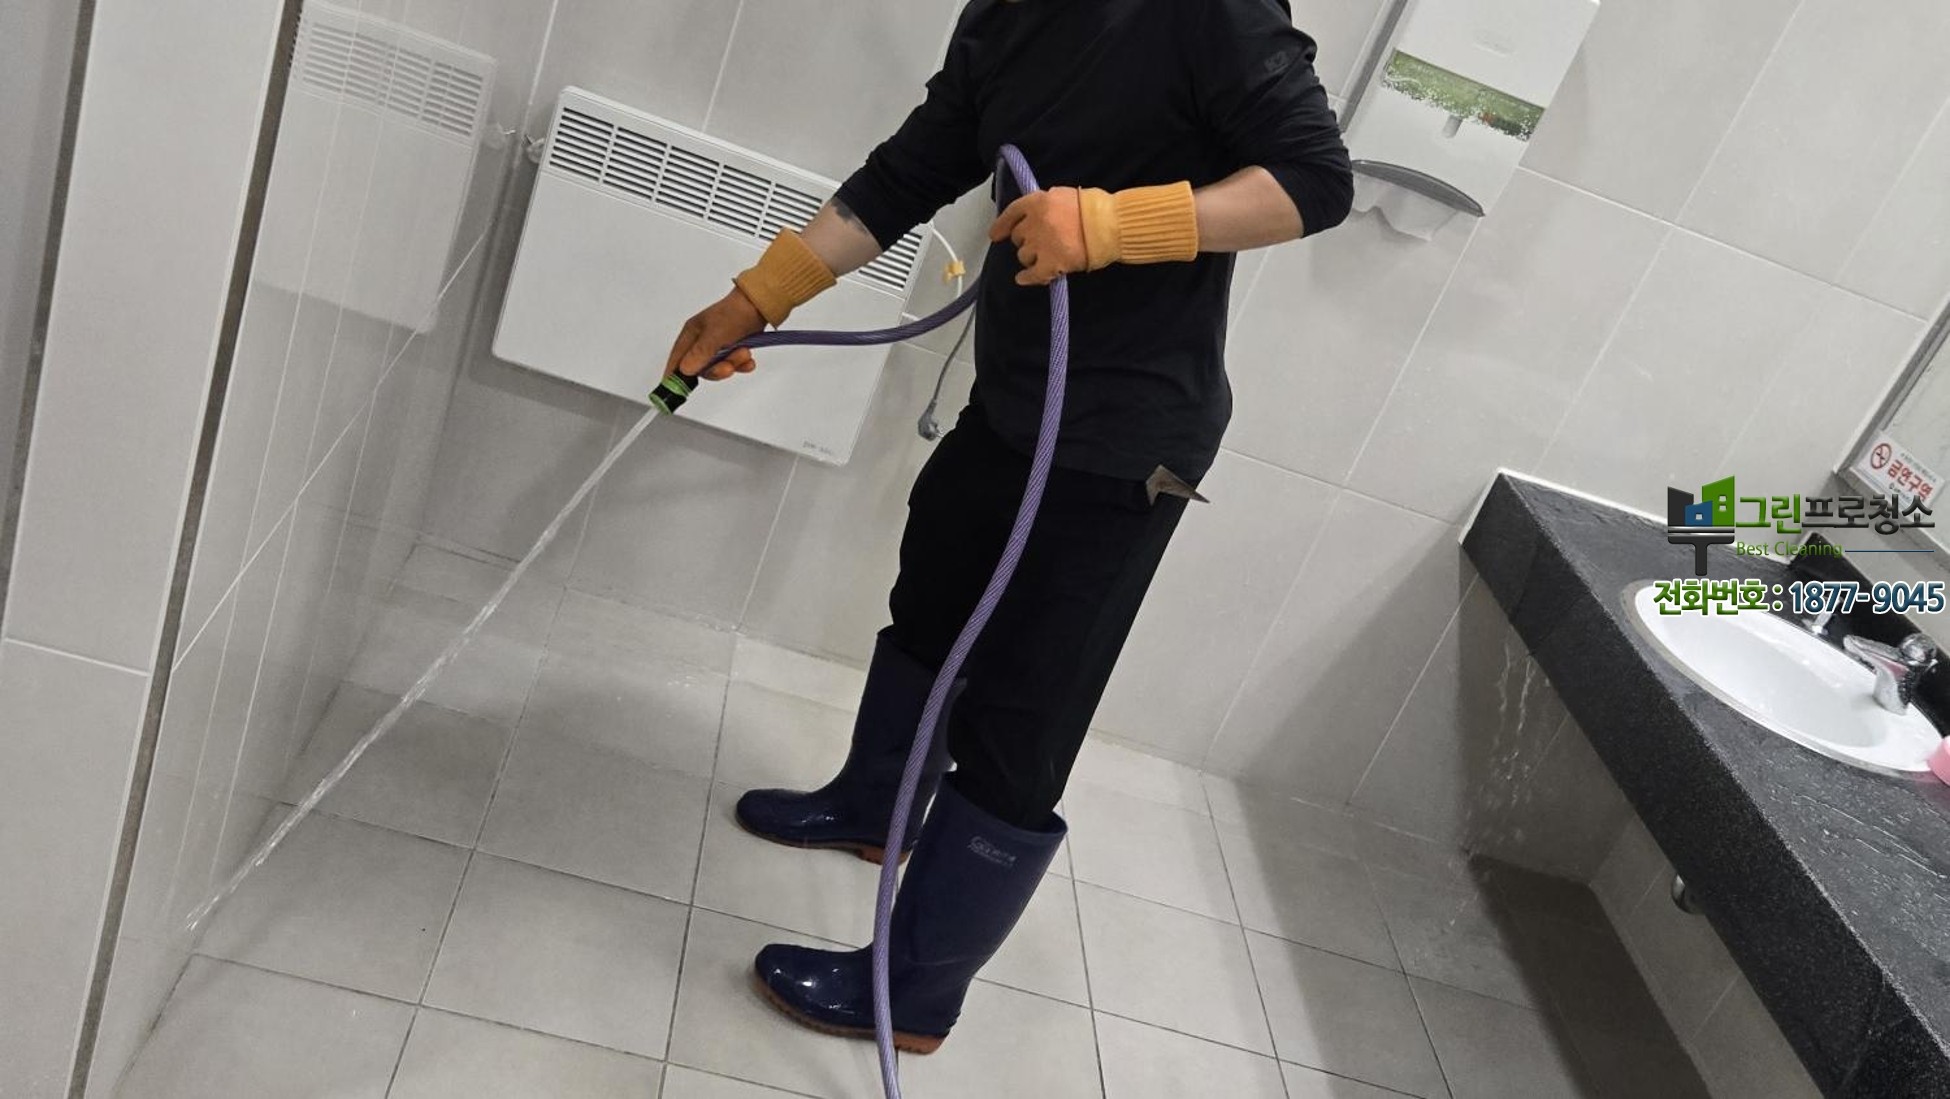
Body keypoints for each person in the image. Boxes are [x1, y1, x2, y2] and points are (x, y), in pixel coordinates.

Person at [663, 0, 1352, 1054]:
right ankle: (874, 808)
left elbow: (1314, 181)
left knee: (1023, 719)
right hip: (1016, 401)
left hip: (1126, 445)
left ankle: (913, 993)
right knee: (930, 599)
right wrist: (760, 296)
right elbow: (911, 169)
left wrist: (1111, 226)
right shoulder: (1006, 12)